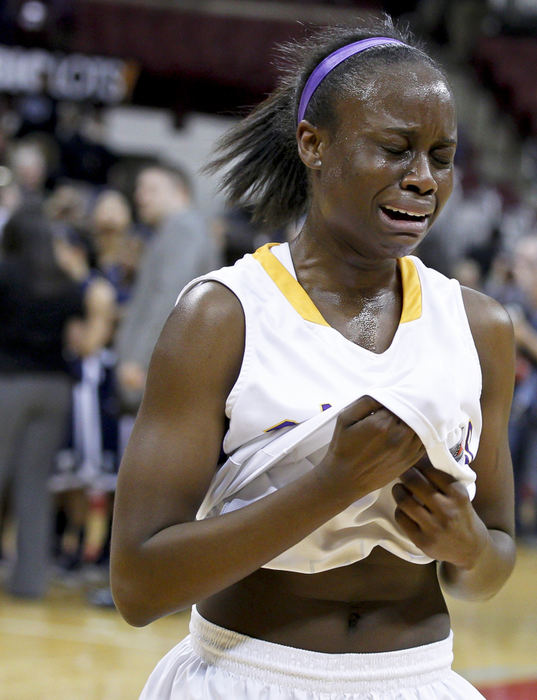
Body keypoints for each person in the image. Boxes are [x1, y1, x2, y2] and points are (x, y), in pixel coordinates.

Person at [110, 18, 516, 700]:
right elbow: (138, 585)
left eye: (440, 157)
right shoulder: (220, 315)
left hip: (413, 681)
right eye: (394, 149)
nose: (421, 179)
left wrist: (466, 543)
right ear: (312, 143)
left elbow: (490, 566)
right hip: (249, 676)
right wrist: (329, 486)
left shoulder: (479, 325)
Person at [0, 208, 115, 598]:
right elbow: (79, 341)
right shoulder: (65, 281)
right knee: (35, 484)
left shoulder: (3, 273)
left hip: (2, 383)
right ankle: (30, 582)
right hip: (53, 388)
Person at [114, 162, 220, 417]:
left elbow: (171, 297)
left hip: (158, 367)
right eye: (140, 189)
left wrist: (140, 360)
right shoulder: (173, 230)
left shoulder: (183, 228)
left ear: (180, 192)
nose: (140, 197)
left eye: (151, 189)